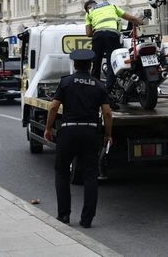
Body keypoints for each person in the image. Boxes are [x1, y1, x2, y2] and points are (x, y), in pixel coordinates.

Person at [44, 49, 113, 229]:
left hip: (68, 133)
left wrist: (48, 128)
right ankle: (87, 219)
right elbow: (107, 112)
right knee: (90, 175)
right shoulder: (99, 85)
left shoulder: (66, 82)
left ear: (75, 65)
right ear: (90, 66)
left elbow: (53, 107)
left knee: (62, 173)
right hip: (91, 134)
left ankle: (64, 215)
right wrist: (108, 134)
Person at [84, 0, 143, 97]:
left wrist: (96, 27)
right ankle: (108, 92)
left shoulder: (89, 12)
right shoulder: (112, 6)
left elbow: (88, 33)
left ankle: (94, 91)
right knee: (112, 64)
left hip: (98, 36)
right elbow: (131, 18)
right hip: (112, 35)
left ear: (87, 8)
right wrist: (141, 23)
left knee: (96, 64)